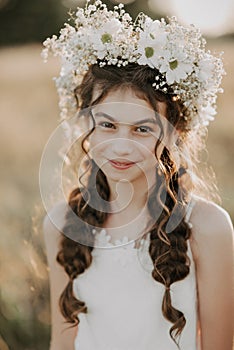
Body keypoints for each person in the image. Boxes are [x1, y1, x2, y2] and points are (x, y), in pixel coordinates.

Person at [42, 1, 233, 349]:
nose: (121, 146)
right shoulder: (61, 223)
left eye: (142, 129)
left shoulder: (208, 226)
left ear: (173, 133)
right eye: (108, 126)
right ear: (88, 126)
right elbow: (62, 342)